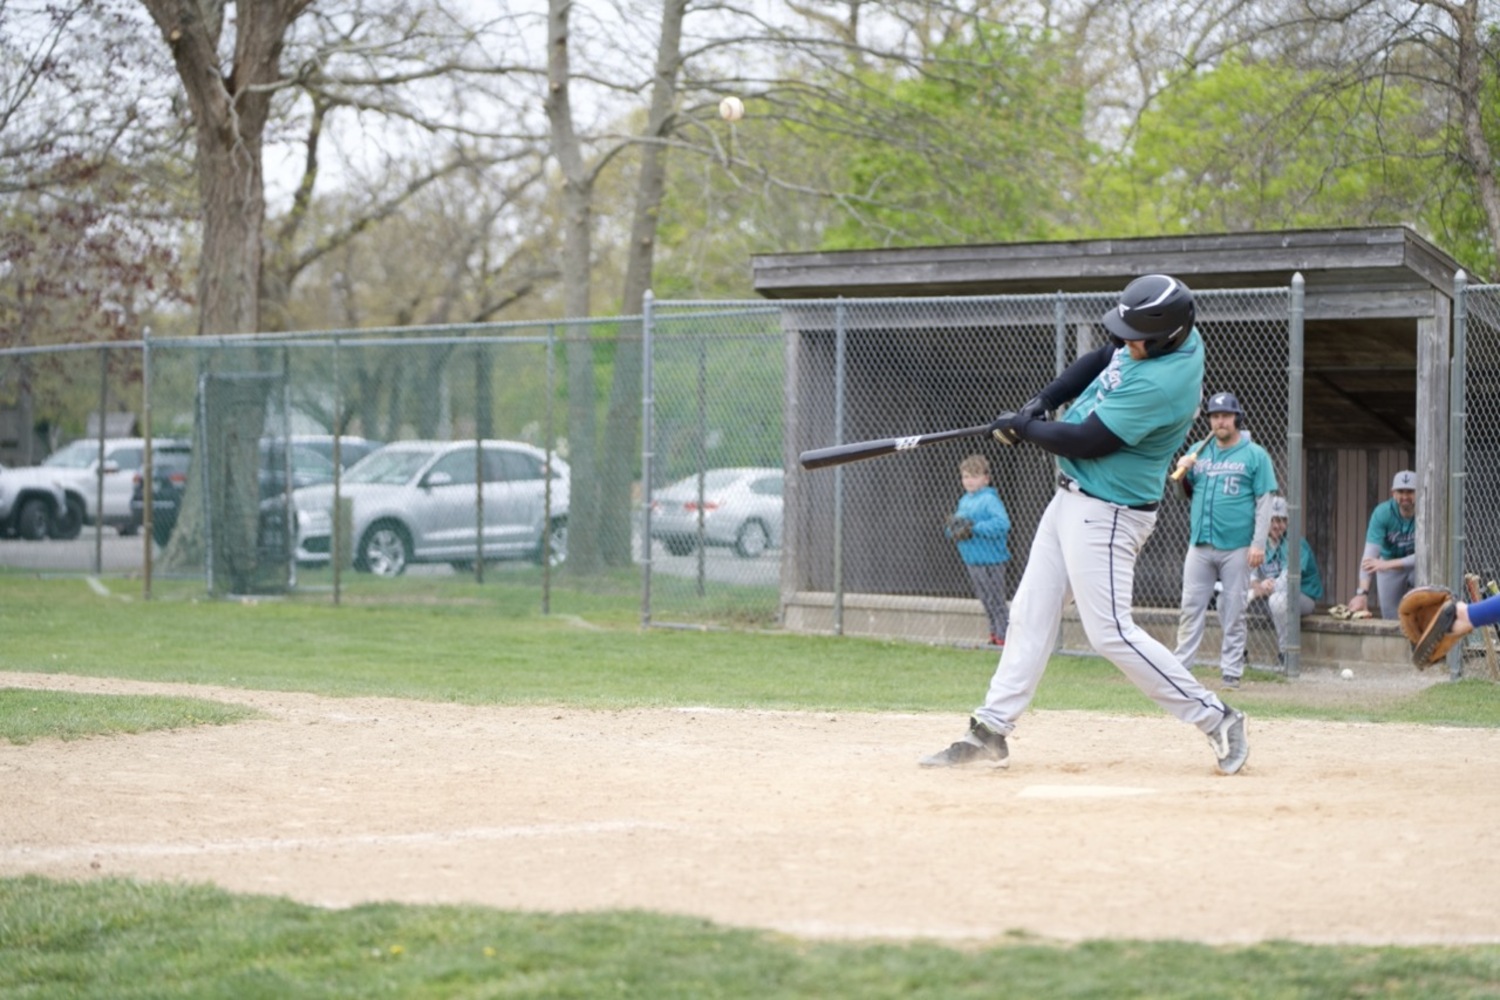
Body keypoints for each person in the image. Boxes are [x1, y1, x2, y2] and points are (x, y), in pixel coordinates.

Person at [920, 274, 1249, 776]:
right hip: (1070, 501)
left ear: (1166, 337)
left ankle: (1217, 718)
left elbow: (1089, 439)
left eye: (1134, 335)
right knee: (1030, 612)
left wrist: (1025, 429)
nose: (1125, 341)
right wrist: (1040, 402)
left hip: (1110, 513)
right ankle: (991, 730)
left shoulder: (1166, 383)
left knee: (1110, 631)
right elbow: (1100, 359)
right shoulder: (1157, 340)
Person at [1171, 391, 1279, 690]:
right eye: (1214, 416)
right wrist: (1182, 476)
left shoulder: (1255, 454)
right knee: (1190, 607)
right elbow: (1183, 495)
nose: (1219, 421)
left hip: (1237, 546)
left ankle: (1231, 671)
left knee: (1233, 610)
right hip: (1200, 543)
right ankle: (1181, 670)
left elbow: (1264, 502)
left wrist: (1258, 544)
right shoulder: (1198, 450)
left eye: (1225, 416)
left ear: (1236, 419)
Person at [944, 454, 1012, 647]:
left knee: (996, 599)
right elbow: (956, 526)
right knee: (985, 599)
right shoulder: (964, 501)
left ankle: (1005, 637)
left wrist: (974, 528)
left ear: (985, 478)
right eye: (965, 476)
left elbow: (1002, 524)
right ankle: (994, 634)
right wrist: (953, 531)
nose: (969, 481)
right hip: (972, 559)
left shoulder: (989, 499)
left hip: (992, 560)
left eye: (974, 476)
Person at [1247, 496, 1324, 662]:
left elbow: (1287, 581)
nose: (1277, 525)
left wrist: (1257, 591)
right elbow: (1250, 575)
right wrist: (1257, 585)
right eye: (1273, 520)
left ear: (1288, 522)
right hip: (1268, 594)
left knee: (1277, 600)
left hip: (1302, 597)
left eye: (1282, 520)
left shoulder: (1295, 542)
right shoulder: (1259, 543)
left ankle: (1286, 654)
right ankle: (1239, 653)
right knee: (1227, 599)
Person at [1346, 470, 1417, 619]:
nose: (1405, 496)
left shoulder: (1427, 511)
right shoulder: (1383, 513)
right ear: (1393, 493)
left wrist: (1386, 565)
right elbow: (1369, 557)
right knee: (1390, 617)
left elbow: (1426, 557)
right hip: (1389, 566)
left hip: (1417, 565)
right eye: (1400, 491)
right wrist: (1362, 593)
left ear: (1418, 493)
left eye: (1410, 491)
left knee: (1426, 610)